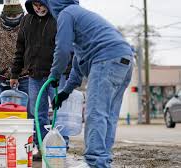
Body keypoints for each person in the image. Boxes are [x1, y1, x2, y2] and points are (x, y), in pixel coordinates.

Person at [45, 0, 134, 167]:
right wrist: (65, 91)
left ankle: (95, 162)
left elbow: (62, 50)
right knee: (108, 116)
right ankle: (103, 160)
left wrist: (55, 75)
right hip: (124, 60)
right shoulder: (81, 19)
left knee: (95, 113)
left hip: (106, 59)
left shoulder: (66, 14)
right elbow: (79, 64)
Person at [9, 0, 69, 160]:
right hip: (34, 75)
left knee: (60, 112)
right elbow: (20, 48)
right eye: (36, 5)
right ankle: (43, 147)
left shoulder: (58, 18)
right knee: (38, 113)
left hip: (56, 75)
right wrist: (14, 73)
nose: (39, 8)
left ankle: (62, 145)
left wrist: (68, 71)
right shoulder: (26, 20)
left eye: (41, 4)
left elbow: (67, 46)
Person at [0, 1, 29, 93]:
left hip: (24, 77)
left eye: (15, 15)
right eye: (10, 15)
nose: (12, 18)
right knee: (2, 106)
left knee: (26, 105)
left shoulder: (27, 22)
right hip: (2, 77)